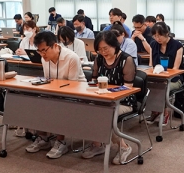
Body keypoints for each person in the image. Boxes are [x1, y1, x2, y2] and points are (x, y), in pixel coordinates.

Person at [25, 31, 86, 159]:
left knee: (59, 105)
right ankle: (43, 138)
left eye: (44, 50)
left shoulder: (72, 58)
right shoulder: (44, 58)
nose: (42, 54)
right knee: (36, 102)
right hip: (56, 92)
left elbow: (72, 86)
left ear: (54, 45)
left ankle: (61, 141)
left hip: (78, 94)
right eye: (39, 51)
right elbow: (48, 80)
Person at [81, 31, 137, 164]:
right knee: (85, 110)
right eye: (99, 49)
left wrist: (110, 94)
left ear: (115, 45)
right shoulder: (99, 58)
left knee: (105, 115)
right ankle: (97, 144)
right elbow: (94, 81)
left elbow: (128, 88)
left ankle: (124, 147)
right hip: (103, 99)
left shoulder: (126, 60)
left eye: (105, 48)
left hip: (123, 101)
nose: (103, 52)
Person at [146, 22, 184, 126]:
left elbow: (176, 68)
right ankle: (155, 111)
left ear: (167, 33)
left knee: (162, 88)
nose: (157, 38)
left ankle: (164, 113)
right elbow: (151, 65)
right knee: (147, 86)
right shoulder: (153, 45)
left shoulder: (178, 46)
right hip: (156, 77)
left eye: (160, 35)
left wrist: (164, 74)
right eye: (155, 36)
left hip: (174, 79)